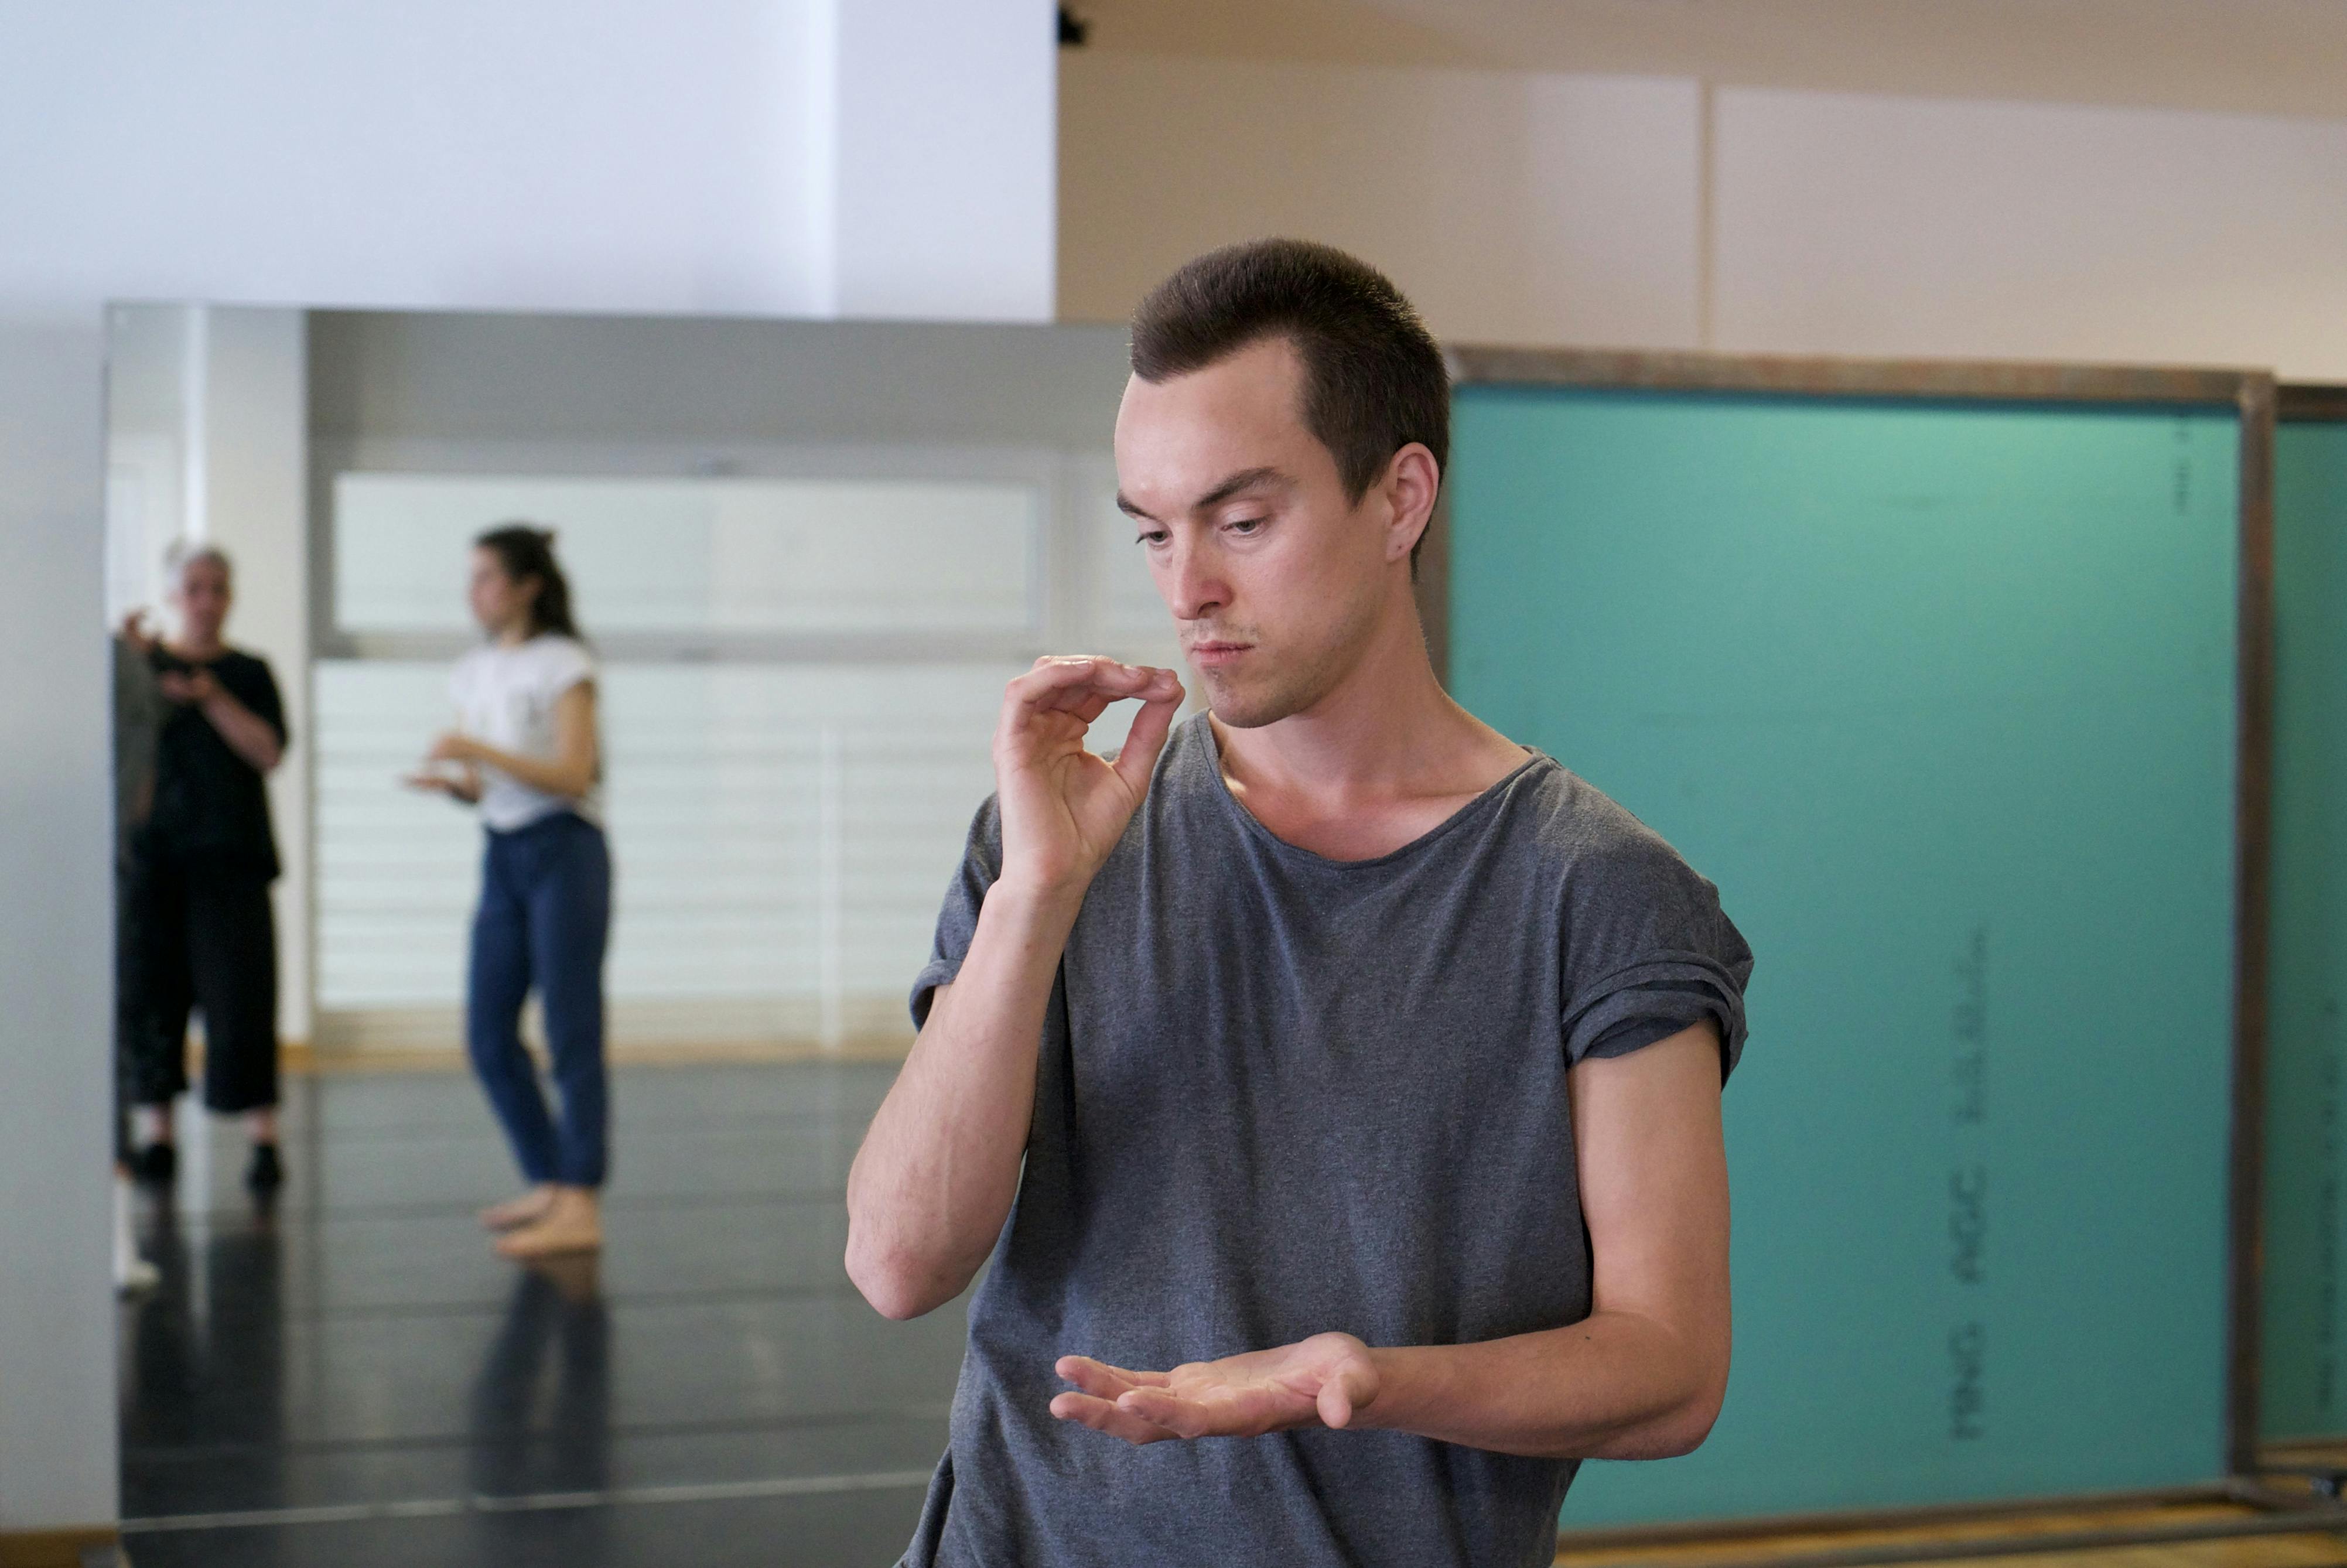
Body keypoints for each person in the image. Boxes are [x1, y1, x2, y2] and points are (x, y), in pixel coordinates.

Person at [846, 240, 1755, 1567]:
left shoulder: (1598, 893)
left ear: (1398, 499)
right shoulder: (1050, 838)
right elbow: (897, 1262)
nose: (1185, 587)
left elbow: (1667, 1370)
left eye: (1242, 520)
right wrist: (1035, 894)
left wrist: (1367, 1376)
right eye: (1154, 530)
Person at [408, 525, 611, 1260]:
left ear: (527, 585)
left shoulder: (564, 663)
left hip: (564, 849)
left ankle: (580, 1199)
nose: (475, 592)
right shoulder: (471, 671)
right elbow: (489, 782)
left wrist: (476, 752)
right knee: (489, 1032)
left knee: (569, 1029)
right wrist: (458, 786)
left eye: (489, 577)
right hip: (503, 853)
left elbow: (573, 773)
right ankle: (551, 1179)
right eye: (472, 578)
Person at [126, 542, 291, 1193]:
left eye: (217, 587)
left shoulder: (249, 673)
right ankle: (157, 1133)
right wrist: (135, 670)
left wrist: (212, 697)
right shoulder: (142, 666)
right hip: (155, 859)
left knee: (243, 997)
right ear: (173, 595)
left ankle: (264, 1140)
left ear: (231, 596)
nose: (205, 600)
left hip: (231, 863)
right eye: (193, 587)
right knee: (151, 995)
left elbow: (268, 751)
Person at [112, 614, 165, 1290]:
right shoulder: (120, 667)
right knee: (104, 1051)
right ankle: (116, 1246)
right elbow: (140, 794)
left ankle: (117, 1242)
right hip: (99, 876)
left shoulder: (118, 666)